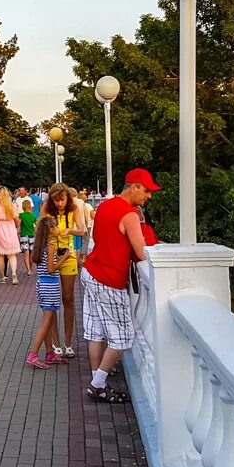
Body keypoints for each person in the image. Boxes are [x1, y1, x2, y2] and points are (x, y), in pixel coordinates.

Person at [82, 169, 158, 402]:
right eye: (146, 191)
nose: (148, 196)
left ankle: (98, 377)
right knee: (123, 338)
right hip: (108, 278)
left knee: (95, 331)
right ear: (134, 187)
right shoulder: (130, 214)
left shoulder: (106, 205)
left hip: (91, 271)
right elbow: (141, 253)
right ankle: (97, 385)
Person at [44, 184, 87, 358]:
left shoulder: (74, 209)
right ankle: (55, 342)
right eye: (56, 200)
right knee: (52, 300)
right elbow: (39, 229)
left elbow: (82, 230)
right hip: (52, 255)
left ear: (68, 198)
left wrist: (70, 230)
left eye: (62, 200)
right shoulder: (47, 209)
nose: (60, 203)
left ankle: (68, 342)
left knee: (68, 298)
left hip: (68, 255)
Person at [25, 210, 68, 369]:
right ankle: (33, 354)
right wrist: (64, 258)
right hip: (50, 284)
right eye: (55, 227)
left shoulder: (40, 246)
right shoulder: (50, 247)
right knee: (46, 322)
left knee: (48, 321)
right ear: (50, 230)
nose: (58, 229)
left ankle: (50, 352)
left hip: (42, 284)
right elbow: (51, 268)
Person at [0, 186, 21, 284]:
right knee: (12, 254)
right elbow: (17, 220)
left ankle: (2, 277)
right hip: (11, 230)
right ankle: (14, 273)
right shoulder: (13, 206)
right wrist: (17, 229)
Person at [19, 198, 37, 276]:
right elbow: (36, 227)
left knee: (26, 254)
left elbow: (19, 226)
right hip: (31, 236)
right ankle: (31, 268)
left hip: (23, 236)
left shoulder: (21, 216)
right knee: (31, 254)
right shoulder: (33, 217)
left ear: (23, 207)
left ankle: (28, 270)